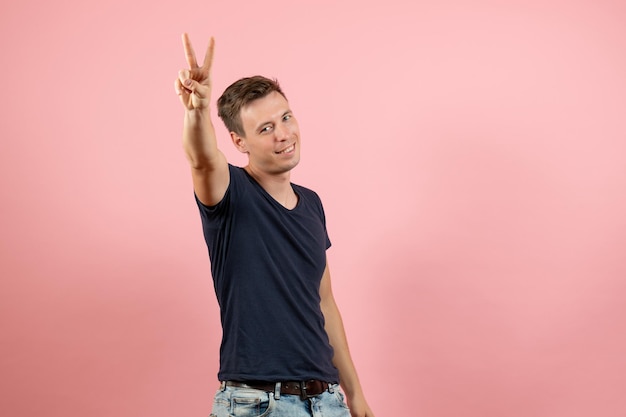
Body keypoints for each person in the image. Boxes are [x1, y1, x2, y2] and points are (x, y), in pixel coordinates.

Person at [174, 33, 375, 417]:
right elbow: (201, 159)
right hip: (256, 403)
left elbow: (325, 303)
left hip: (327, 401)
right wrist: (196, 112)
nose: (284, 134)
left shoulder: (313, 203)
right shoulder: (230, 192)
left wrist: (355, 394)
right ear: (239, 141)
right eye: (265, 128)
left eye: (285, 118)